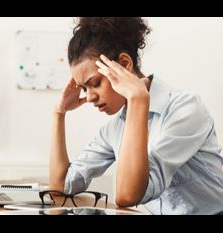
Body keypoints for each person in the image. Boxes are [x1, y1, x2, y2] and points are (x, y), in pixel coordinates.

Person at [49, 17, 223, 215]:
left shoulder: (187, 109)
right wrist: (59, 113)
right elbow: (60, 187)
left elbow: (127, 195)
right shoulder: (114, 128)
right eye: (83, 88)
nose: (89, 97)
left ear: (124, 63)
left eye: (95, 83)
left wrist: (138, 99)